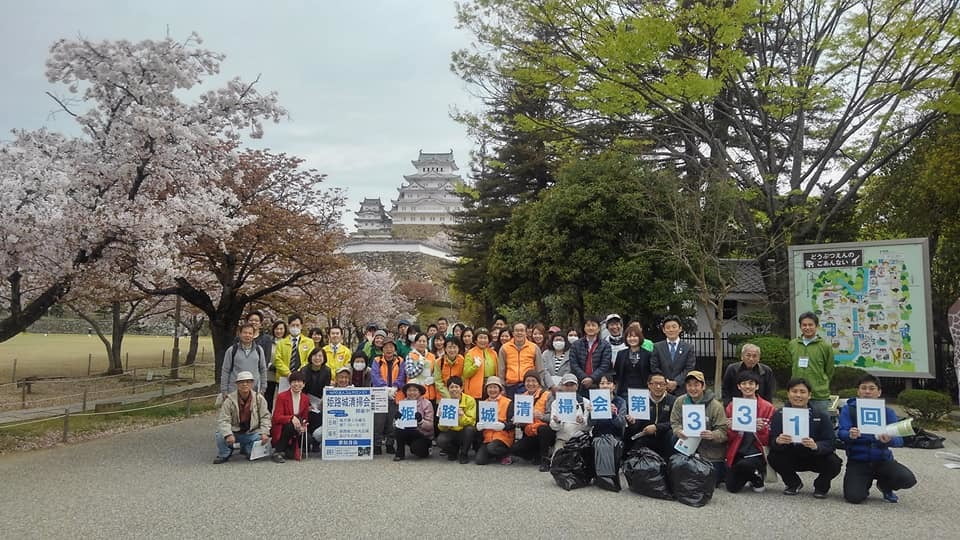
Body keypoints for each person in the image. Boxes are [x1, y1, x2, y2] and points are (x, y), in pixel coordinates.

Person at [838, 374, 917, 503]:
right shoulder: (849, 410)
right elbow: (841, 433)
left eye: (871, 388)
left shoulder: (888, 412)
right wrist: (849, 435)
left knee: (907, 479)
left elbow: (900, 441)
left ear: (879, 392)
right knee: (854, 497)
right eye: (863, 388)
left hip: (882, 460)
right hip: (858, 461)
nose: (867, 392)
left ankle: (885, 485)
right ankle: (863, 483)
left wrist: (889, 440)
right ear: (858, 391)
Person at [768, 378, 843, 497]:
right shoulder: (779, 414)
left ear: (809, 395)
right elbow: (771, 441)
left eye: (802, 392)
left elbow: (830, 442)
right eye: (794, 391)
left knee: (834, 462)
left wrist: (816, 446)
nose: (798, 395)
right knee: (773, 457)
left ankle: (821, 486)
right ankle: (793, 483)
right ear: (788, 394)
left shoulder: (821, 415)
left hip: (814, 456)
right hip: (790, 454)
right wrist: (778, 441)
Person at [670, 370, 730, 481]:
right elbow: (675, 422)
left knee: (711, 479)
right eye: (689, 385)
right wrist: (678, 430)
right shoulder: (680, 401)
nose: (693, 389)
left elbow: (724, 431)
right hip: (687, 443)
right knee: (673, 437)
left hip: (709, 449)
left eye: (696, 385)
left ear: (703, 386)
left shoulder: (715, 406)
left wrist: (713, 435)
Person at [724, 371, 776, 493]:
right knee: (732, 488)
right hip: (738, 450)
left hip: (757, 452)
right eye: (744, 383)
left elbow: (769, 439)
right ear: (738, 386)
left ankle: (757, 476)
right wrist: (731, 428)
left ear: (757, 386)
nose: (747, 386)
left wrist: (761, 429)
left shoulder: (768, 407)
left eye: (751, 383)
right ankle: (752, 476)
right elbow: (729, 439)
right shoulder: (732, 406)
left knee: (744, 466)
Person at [214, 371, 272, 464]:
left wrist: (265, 432)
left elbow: (265, 417)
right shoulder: (229, 400)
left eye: (248, 382)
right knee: (220, 434)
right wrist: (228, 434)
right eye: (241, 382)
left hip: (251, 432)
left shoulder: (259, 398)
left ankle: (246, 448)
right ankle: (225, 453)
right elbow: (224, 420)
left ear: (252, 384)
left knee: (259, 441)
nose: (245, 384)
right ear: (237, 384)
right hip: (234, 431)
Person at [789, 312, 835, 412]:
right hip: (797, 394)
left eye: (810, 325)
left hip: (818, 395)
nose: (807, 327)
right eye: (804, 325)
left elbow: (829, 370)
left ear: (817, 326)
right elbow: (790, 365)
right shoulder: (793, 344)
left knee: (819, 424)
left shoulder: (825, 346)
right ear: (800, 326)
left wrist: (822, 383)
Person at [623, 372, 676, 459]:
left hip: (664, 438)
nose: (658, 387)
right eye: (655, 384)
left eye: (661, 384)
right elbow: (634, 428)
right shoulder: (639, 399)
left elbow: (675, 422)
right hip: (644, 437)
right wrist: (633, 422)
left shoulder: (673, 400)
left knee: (671, 434)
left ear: (666, 385)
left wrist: (657, 427)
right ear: (649, 385)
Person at [510, 370, 552, 469]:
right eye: (528, 381)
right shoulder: (522, 397)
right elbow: (521, 421)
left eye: (534, 381)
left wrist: (541, 416)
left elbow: (553, 416)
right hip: (530, 432)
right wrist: (518, 421)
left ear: (539, 383)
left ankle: (545, 459)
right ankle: (535, 455)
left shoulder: (547, 395)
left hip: (546, 432)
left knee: (543, 429)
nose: (530, 384)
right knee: (515, 449)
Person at [371, 340, 405, 455]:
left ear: (395, 349)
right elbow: (375, 376)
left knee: (392, 421)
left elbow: (402, 375)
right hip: (380, 395)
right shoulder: (377, 361)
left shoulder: (400, 361)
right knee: (378, 422)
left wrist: (395, 387)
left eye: (391, 347)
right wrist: (385, 388)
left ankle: (390, 444)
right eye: (386, 347)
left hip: (396, 395)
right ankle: (377, 444)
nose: (389, 349)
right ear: (382, 349)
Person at [272, 314, 315, 405]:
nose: (295, 327)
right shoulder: (282, 342)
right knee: (284, 403)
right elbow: (277, 360)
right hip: (284, 378)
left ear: (301, 326)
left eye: (297, 325)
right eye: (292, 325)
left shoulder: (309, 342)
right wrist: (288, 373)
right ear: (288, 326)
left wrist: (299, 373)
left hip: (302, 378)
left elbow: (309, 360)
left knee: (300, 403)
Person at [497, 322, 547, 398]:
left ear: (526, 333)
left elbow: (539, 369)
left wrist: (540, 386)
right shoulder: (504, 348)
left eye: (521, 330)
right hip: (510, 385)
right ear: (513, 333)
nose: (519, 333)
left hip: (528, 386)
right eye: (517, 330)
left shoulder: (534, 347)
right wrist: (502, 386)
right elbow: (501, 370)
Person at [547, 374, 590, 460]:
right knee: (557, 465)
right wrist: (557, 422)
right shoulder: (555, 403)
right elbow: (553, 427)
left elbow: (588, 427)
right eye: (566, 385)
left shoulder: (585, 402)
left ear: (577, 386)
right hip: (562, 440)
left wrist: (582, 422)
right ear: (561, 387)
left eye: (572, 385)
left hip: (580, 441)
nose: (569, 388)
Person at [270, 371, 310, 463]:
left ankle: (289, 449)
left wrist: (304, 426)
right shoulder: (282, 396)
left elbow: (305, 417)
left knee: (309, 438)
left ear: (303, 384)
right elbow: (276, 417)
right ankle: (278, 451)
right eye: (294, 381)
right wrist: (291, 418)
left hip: (297, 426)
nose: (296, 384)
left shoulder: (305, 398)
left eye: (299, 382)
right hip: (282, 426)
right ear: (290, 383)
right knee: (290, 426)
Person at [435, 376, 477, 464]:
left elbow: (472, 421)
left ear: (461, 388)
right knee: (440, 440)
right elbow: (441, 428)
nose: (454, 389)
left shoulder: (470, 400)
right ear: (448, 389)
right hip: (451, 431)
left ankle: (464, 453)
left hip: (463, 431)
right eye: (451, 387)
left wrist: (461, 416)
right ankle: (453, 451)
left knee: (470, 429)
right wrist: (444, 422)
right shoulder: (444, 402)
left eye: (456, 387)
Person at [651, 315, 696, 395]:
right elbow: (654, 367)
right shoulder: (657, 347)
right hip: (662, 389)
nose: (671, 330)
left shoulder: (688, 348)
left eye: (674, 327)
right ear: (664, 330)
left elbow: (689, 368)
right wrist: (666, 382)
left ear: (680, 329)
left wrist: (676, 382)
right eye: (668, 327)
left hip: (682, 390)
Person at [475, 376, 515, 465]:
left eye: (495, 387)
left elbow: (513, 423)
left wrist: (504, 426)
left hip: (503, 438)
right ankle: (496, 455)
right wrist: (478, 426)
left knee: (492, 448)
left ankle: (507, 454)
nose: (492, 390)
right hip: (487, 438)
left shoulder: (508, 402)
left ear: (500, 389)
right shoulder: (483, 404)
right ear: (486, 389)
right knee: (480, 461)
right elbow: (478, 420)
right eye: (490, 387)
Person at [220, 323, 267, 398]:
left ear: (253, 335)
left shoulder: (259, 350)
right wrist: (224, 390)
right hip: (234, 390)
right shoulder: (232, 350)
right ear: (240, 334)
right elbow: (225, 370)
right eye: (245, 333)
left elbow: (263, 369)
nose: (247, 335)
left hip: (254, 390)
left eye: (250, 333)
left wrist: (263, 388)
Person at [568, 316, 612, 398]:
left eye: (593, 325)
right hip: (580, 383)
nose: (590, 328)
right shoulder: (576, 344)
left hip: (598, 383)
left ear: (599, 329)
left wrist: (592, 378)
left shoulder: (605, 345)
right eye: (588, 325)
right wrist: (584, 377)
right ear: (584, 328)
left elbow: (605, 365)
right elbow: (574, 364)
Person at [393, 382, 434, 461]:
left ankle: (427, 448)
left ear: (420, 392)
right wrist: (396, 419)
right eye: (409, 390)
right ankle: (400, 453)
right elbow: (395, 426)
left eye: (415, 390)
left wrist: (420, 421)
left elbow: (430, 426)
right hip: (408, 433)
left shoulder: (427, 404)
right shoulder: (403, 403)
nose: (412, 393)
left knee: (417, 449)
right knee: (399, 429)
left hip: (422, 434)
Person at [614, 324, 652, 399]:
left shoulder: (648, 354)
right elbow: (616, 372)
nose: (632, 339)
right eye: (629, 336)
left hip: (643, 391)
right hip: (624, 391)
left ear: (640, 337)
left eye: (635, 336)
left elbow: (651, 372)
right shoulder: (621, 354)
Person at [464, 328, 498, 402]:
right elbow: (466, 374)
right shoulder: (470, 353)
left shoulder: (493, 353)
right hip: (476, 388)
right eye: (480, 338)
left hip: (491, 387)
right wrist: (475, 366)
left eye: (485, 338)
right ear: (476, 340)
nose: (483, 340)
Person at [404, 333, 437, 402]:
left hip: (430, 394)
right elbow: (410, 374)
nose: (421, 343)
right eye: (419, 341)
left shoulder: (432, 356)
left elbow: (435, 372)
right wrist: (420, 364)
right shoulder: (410, 355)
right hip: (414, 395)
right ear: (415, 343)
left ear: (427, 343)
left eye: (424, 341)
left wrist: (433, 378)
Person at [263, 320, 288, 410]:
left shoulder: (288, 342)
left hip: (283, 375)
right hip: (270, 374)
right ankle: (267, 417)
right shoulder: (268, 342)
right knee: (268, 397)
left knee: (282, 398)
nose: (279, 331)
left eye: (281, 329)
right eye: (277, 329)